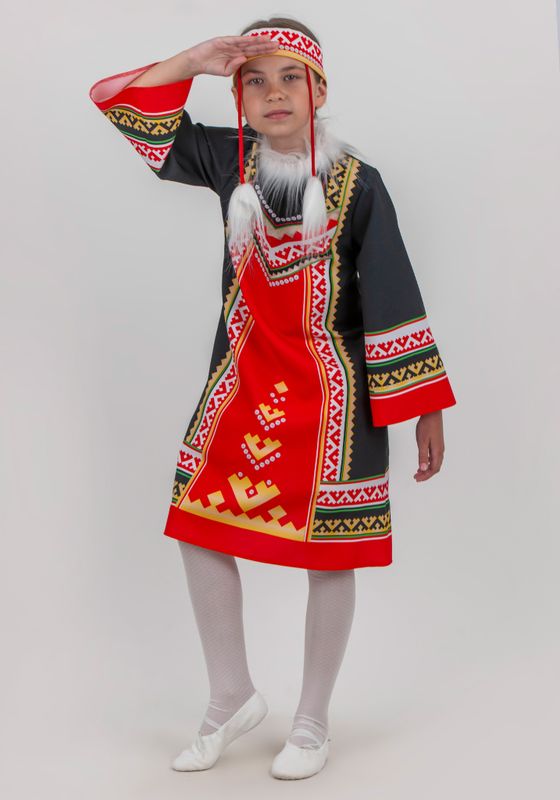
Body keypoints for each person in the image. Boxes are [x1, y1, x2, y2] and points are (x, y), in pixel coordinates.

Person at [89, 16, 457, 781]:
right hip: (242, 383)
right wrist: (195, 59)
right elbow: (122, 105)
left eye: (291, 78)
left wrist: (425, 404)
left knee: (330, 552)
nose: (274, 93)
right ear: (240, 98)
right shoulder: (228, 160)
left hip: (334, 398)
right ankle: (231, 695)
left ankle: (313, 720)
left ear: (318, 90)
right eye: (255, 81)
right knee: (196, 524)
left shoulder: (360, 185)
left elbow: (393, 290)